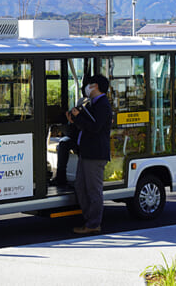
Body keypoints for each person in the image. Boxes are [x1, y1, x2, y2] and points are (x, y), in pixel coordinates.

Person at [69, 74, 112, 234]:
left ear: (96, 87)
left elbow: (95, 128)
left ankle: (93, 224)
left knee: (93, 190)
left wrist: (79, 117)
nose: (87, 87)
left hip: (95, 154)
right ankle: (90, 220)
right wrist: (75, 119)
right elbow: (88, 125)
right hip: (86, 152)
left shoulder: (103, 105)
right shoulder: (93, 103)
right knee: (81, 187)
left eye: (90, 84)